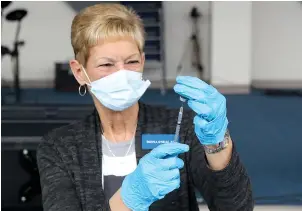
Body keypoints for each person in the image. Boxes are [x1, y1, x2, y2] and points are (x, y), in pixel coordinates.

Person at [37, 3, 254, 211]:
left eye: (131, 62)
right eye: (106, 64)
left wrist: (218, 145)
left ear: (142, 60)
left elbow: (236, 207)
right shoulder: (60, 148)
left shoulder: (179, 128)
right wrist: (129, 199)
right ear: (79, 72)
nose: (122, 74)